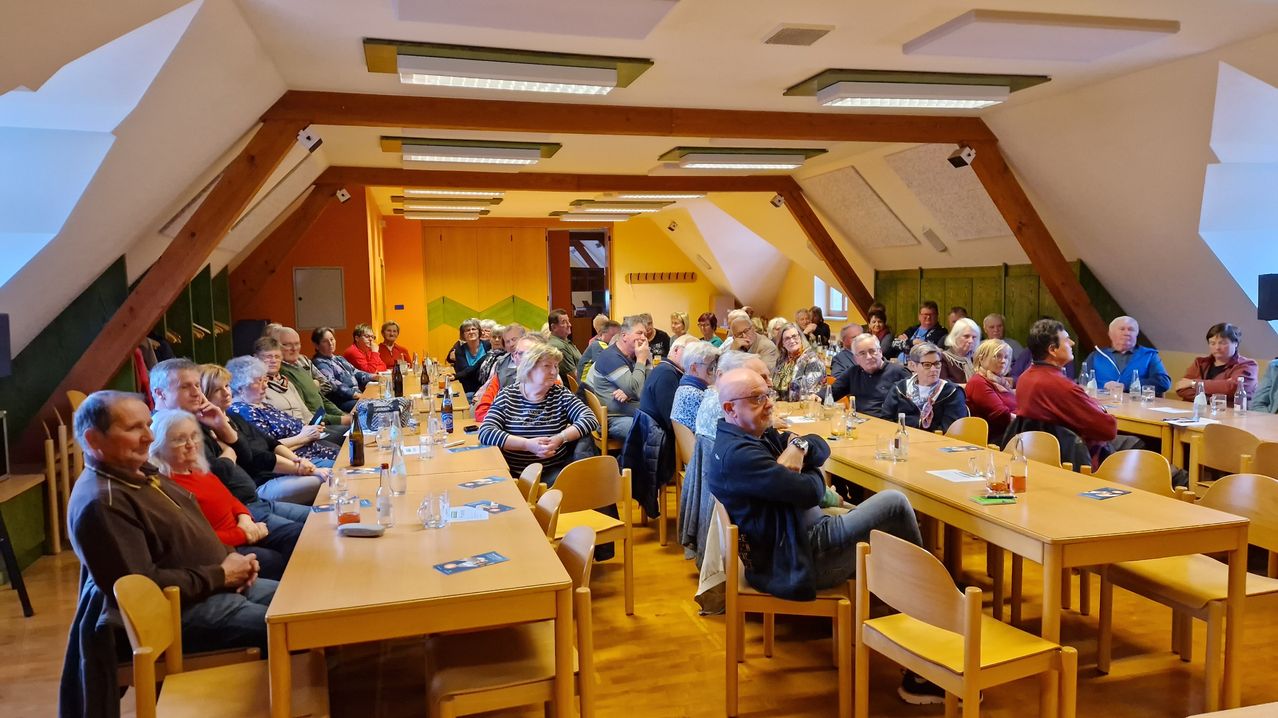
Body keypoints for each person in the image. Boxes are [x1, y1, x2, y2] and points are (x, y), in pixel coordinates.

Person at [705, 367, 926, 699]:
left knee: (892, 529)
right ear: (729, 409)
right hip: (797, 558)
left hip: (799, 537)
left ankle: (919, 622)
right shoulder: (741, 456)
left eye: (767, 394)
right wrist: (813, 474)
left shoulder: (749, 435)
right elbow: (812, 489)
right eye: (756, 398)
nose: (767, 404)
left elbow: (818, 446)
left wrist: (799, 448)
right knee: (894, 505)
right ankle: (925, 636)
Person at [63, 392, 278, 717]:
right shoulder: (103, 502)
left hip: (212, 587)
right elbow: (143, 584)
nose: (149, 436)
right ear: (94, 440)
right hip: (184, 611)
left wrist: (234, 562)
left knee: (307, 608)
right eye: (134, 428)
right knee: (290, 627)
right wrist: (221, 574)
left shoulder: (139, 473)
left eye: (148, 425)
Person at [149, 359, 311, 525]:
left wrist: (223, 427)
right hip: (238, 513)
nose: (196, 393)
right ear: (160, 393)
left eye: (197, 385)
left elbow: (247, 455)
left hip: (254, 504)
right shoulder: (167, 431)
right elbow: (216, 474)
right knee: (307, 533)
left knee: (321, 517)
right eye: (185, 386)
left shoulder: (199, 419)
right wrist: (230, 451)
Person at [148, 409, 295, 581]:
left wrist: (245, 520)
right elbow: (198, 540)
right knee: (273, 560)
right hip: (224, 549)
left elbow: (231, 500)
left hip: (246, 527)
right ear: (158, 445)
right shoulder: (167, 486)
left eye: (194, 436)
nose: (191, 444)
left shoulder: (197, 469)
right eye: (180, 439)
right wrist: (243, 534)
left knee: (295, 534)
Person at [200, 363, 329, 505]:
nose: (226, 393)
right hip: (262, 483)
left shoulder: (233, 418)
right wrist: (302, 467)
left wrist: (298, 460)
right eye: (218, 390)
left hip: (283, 469)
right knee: (328, 478)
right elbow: (258, 457)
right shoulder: (234, 413)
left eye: (227, 386)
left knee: (336, 474)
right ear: (205, 395)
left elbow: (271, 443)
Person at [479, 343, 599, 485]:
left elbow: (589, 418)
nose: (554, 372)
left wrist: (560, 438)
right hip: (515, 475)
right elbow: (486, 432)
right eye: (547, 366)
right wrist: (527, 445)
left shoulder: (560, 394)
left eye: (555, 366)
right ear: (529, 369)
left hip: (553, 473)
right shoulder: (508, 395)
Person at [1016, 319, 1117, 461]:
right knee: (1138, 442)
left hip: (1036, 453)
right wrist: (1101, 408)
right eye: (1067, 340)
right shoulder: (1062, 386)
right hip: (1073, 457)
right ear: (1052, 350)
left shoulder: (1024, 378)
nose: (1072, 343)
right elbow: (1109, 430)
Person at [584, 315, 651, 442]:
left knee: (662, 422)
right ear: (624, 336)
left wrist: (629, 393)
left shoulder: (636, 354)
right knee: (647, 429)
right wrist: (642, 360)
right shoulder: (611, 357)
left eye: (645, 334)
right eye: (639, 333)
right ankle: (629, 461)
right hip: (613, 418)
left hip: (632, 412)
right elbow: (636, 390)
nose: (644, 338)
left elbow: (651, 388)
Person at [269, 326, 349, 432]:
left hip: (324, 420)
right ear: (276, 347)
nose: (294, 348)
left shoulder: (299, 366)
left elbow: (322, 399)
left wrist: (343, 415)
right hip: (313, 426)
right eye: (287, 345)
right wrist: (342, 420)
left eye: (297, 343)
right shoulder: (283, 373)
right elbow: (306, 413)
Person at [882, 343, 969, 432]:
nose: (934, 369)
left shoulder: (952, 392)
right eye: (927, 365)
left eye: (937, 364)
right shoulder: (899, 389)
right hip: (902, 439)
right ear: (913, 365)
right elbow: (886, 420)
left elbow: (951, 430)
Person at [1080, 316, 1172, 396]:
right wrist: (1104, 385)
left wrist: (1126, 386)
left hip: (1137, 406)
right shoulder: (1097, 355)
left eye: (1131, 329)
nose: (1127, 333)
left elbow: (1163, 382)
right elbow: (1082, 382)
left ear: (1136, 334)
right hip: (1102, 405)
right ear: (1110, 334)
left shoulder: (1149, 355)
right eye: (1122, 329)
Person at [1174, 322, 1259, 405]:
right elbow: (1181, 389)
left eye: (1222, 343)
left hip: (1229, 414)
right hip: (1196, 412)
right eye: (1212, 343)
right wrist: (1216, 397)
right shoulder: (1200, 363)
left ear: (1236, 343)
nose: (1217, 347)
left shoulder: (1248, 365)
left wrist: (1193, 383)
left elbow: (1233, 388)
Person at [830, 333, 911, 419]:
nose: (868, 357)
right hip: (858, 423)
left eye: (872, 351)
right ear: (856, 359)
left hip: (887, 425)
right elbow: (832, 392)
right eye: (862, 353)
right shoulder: (853, 372)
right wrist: (817, 397)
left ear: (880, 352)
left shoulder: (899, 372)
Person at [474, 332, 545, 422]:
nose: (517, 357)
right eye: (517, 353)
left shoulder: (550, 381)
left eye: (527, 354)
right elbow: (481, 412)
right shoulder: (500, 377)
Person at [639, 334, 697, 430]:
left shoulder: (667, 369)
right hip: (658, 440)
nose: (694, 359)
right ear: (676, 350)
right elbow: (673, 421)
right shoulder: (666, 373)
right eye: (691, 353)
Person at [964, 339, 1018, 440]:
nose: (1003, 361)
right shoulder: (978, 382)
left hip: (1012, 433)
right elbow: (1001, 415)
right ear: (981, 359)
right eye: (998, 356)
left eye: (1006, 357)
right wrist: (1027, 423)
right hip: (995, 439)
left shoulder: (1001, 382)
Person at [312, 325, 373, 411]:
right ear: (317, 345)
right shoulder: (319, 363)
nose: (330, 343)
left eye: (332, 339)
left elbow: (355, 371)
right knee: (373, 406)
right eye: (325, 341)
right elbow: (335, 386)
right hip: (342, 401)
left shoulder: (339, 358)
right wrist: (360, 395)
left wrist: (374, 376)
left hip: (356, 396)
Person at [671, 341, 718, 430]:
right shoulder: (696, 394)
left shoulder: (685, 385)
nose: (714, 372)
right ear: (694, 368)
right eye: (711, 368)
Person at [773, 323, 825, 399]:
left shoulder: (811, 360)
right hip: (782, 407)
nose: (792, 340)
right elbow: (775, 388)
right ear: (782, 343)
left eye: (794, 336)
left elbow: (811, 394)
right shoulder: (781, 360)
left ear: (800, 338)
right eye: (787, 338)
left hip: (805, 407)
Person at [448, 318, 492, 397]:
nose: (471, 332)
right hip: (468, 389)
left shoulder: (489, 346)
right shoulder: (459, 350)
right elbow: (466, 375)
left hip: (486, 389)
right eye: (467, 330)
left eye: (473, 329)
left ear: (479, 331)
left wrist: (457, 375)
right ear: (463, 334)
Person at [939, 317, 981, 384]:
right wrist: (972, 387)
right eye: (966, 336)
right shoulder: (943, 358)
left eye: (974, 337)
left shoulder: (978, 358)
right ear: (955, 336)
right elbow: (944, 386)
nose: (971, 341)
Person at [579, 318, 621, 383]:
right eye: (613, 335)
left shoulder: (596, 343)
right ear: (602, 333)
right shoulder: (599, 344)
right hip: (586, 386)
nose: (616, 339)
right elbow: (606, 366)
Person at [547, 309, 581, 379]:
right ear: (554, 327)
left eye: (568, 321)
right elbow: (574, 376)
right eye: (564, 322)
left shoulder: (564, 341)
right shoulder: (559, 346)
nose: (569, 325)